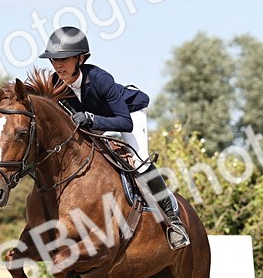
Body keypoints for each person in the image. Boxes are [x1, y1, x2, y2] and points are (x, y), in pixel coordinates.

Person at [39, 26, 190, 250]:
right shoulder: (56, 84)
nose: (58, 65)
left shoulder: (100, 79)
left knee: (139, 163)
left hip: (129, 112)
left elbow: (124, 122)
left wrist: (91, 118)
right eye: (54, 60)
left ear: (80, 59)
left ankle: (173, 221)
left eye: (64, 59)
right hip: (95, 120)